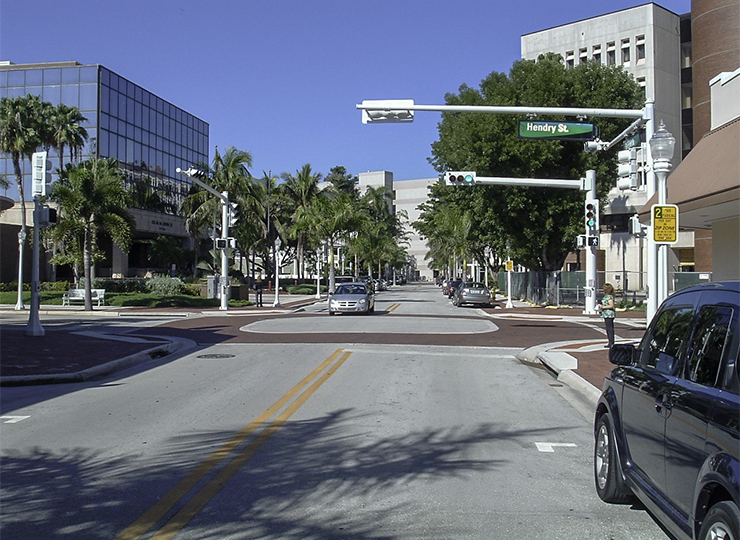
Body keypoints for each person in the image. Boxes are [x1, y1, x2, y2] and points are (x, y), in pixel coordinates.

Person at [598, 283, 616, 348]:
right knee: (608, 328)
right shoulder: (606, 296)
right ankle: (610, 341)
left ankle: (611, 342)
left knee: (610, 328)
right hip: (605, 314)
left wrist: (603, 307)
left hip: (609, 314)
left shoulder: (609, 297)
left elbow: (611, 305)